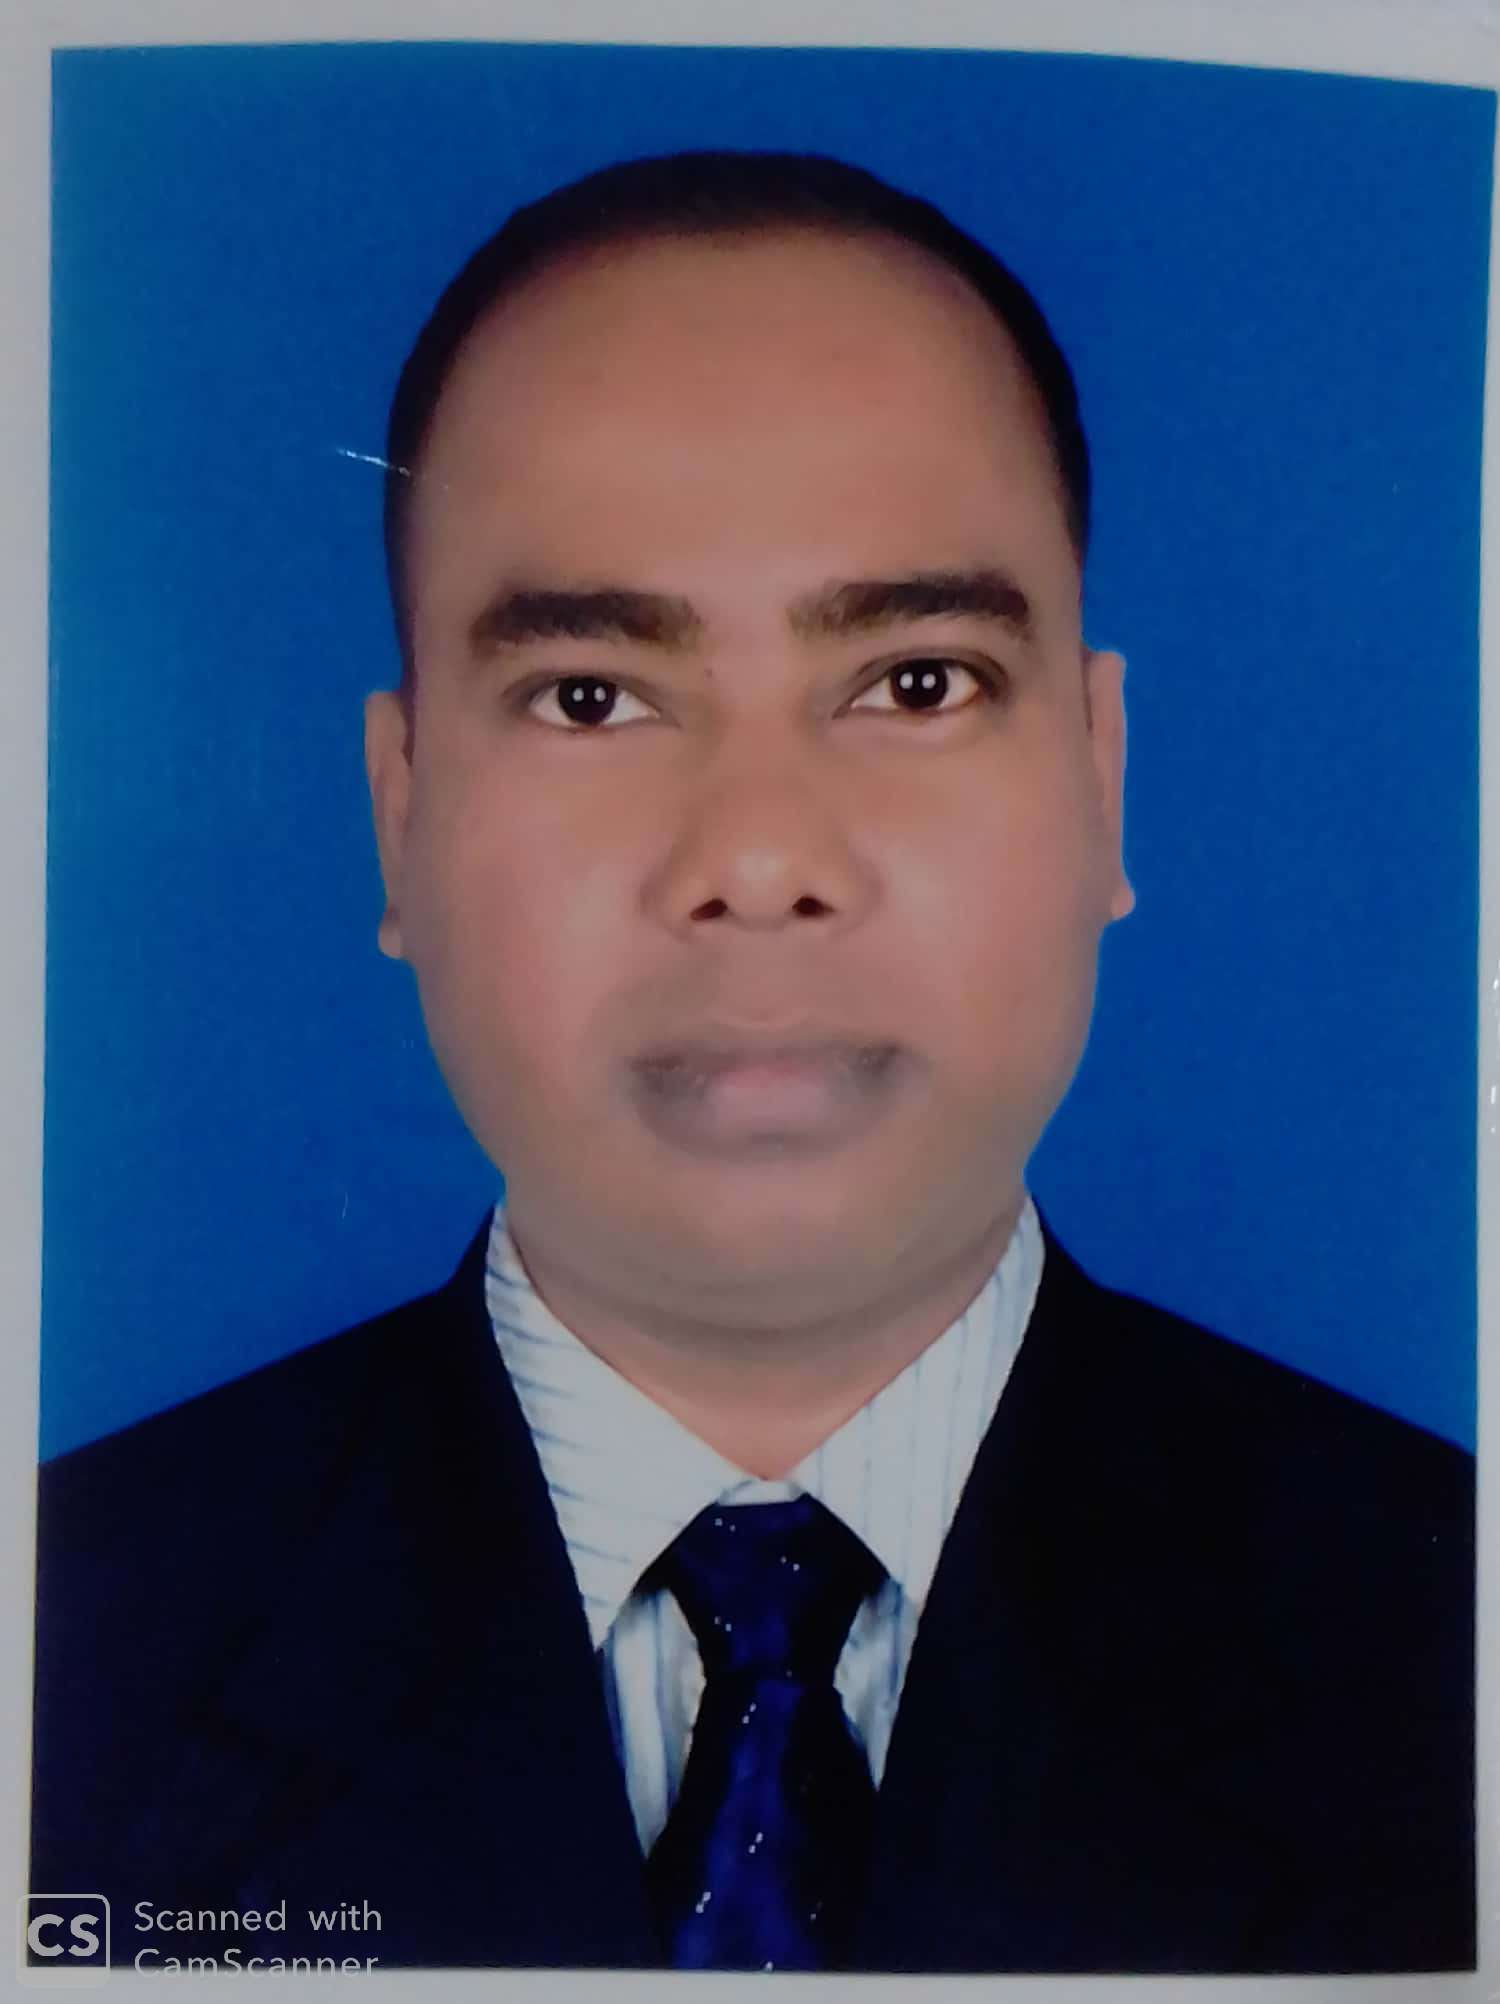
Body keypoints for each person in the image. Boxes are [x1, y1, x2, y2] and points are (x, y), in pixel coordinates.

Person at [30, 151, 1474, 1975]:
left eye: (919, 681)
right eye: (591, 697)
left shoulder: (1450, 1649)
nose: (761, 859)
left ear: (1101, 777)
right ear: (399, 816)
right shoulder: (58, 1655)